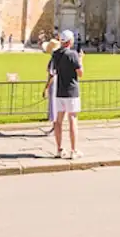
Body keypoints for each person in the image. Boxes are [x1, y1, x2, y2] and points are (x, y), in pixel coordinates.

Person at [44, 30, 83, 158]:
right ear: (70, 41)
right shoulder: (73, 54)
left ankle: (59, 149)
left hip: (59, 91)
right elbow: (80, 73)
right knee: (72, 119)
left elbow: (53, 70)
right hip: (71, 91)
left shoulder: (56, 54)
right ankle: (74, 150)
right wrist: (81, 59)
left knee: (58, 121)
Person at [43, 37, 61, 133]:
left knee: (54, 105)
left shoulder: (53, 60)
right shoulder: (59, 58)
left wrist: (46, 88)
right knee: (57, 106)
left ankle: (55, 127)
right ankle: (56, 127)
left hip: (54, 85)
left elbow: (52, 75)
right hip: (60, 83)